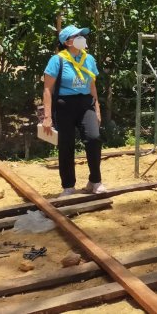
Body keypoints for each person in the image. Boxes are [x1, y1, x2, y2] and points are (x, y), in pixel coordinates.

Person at [42, 25, 106, 197]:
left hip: (86, 103)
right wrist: (47, 117)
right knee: (66, 145)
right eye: (77, 36)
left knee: (93, 139)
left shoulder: (89, 59)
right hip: (65, 105)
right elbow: (47, 89)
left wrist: (97, 109)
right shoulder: (57, 60)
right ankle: (68, 185)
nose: (81, 38)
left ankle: (95, 181)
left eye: (82, 36)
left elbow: (92, 85)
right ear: (67, 42)